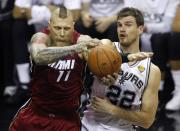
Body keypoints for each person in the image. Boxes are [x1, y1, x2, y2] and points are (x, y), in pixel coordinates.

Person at [9, 6, 153, 131]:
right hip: (34, 115)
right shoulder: (41, 38)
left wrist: (122, 60)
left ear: (73, 25)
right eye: (57, 28)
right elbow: (38, 56)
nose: (62, 33)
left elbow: (102, 53)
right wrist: (74, 49)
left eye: (66, 28)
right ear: (49, 25)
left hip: (66, 119)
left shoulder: (82, 40)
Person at [81, 7, 161, 131]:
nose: (122, 29)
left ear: (140, 29)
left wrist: (112, 110)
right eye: (119, 25)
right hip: (89, 125)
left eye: (128, 25)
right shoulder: (107, 46)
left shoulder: (152, 71)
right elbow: (90, 50)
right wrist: (100, 75)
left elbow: (147, 121)